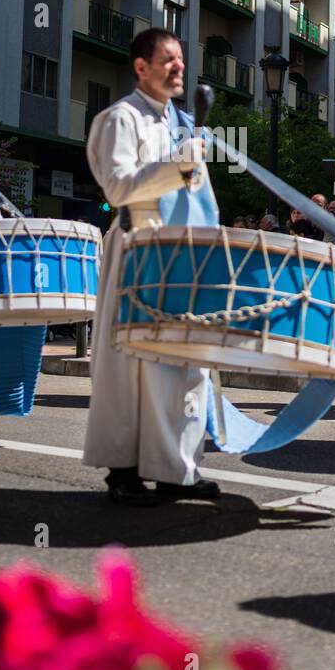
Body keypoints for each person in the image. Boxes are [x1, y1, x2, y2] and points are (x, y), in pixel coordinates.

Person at [83, 28, 221, 506]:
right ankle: (122, 469)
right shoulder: (119, 118)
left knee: (180, 365)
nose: (179, 67)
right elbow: (118, 188)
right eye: (168, 60)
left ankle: (174, 469)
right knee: (129, 364)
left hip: (179, 256)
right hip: (137, 248)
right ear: (141, 67)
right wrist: (179, 166)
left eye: (181, 59)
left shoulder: (178, 125)